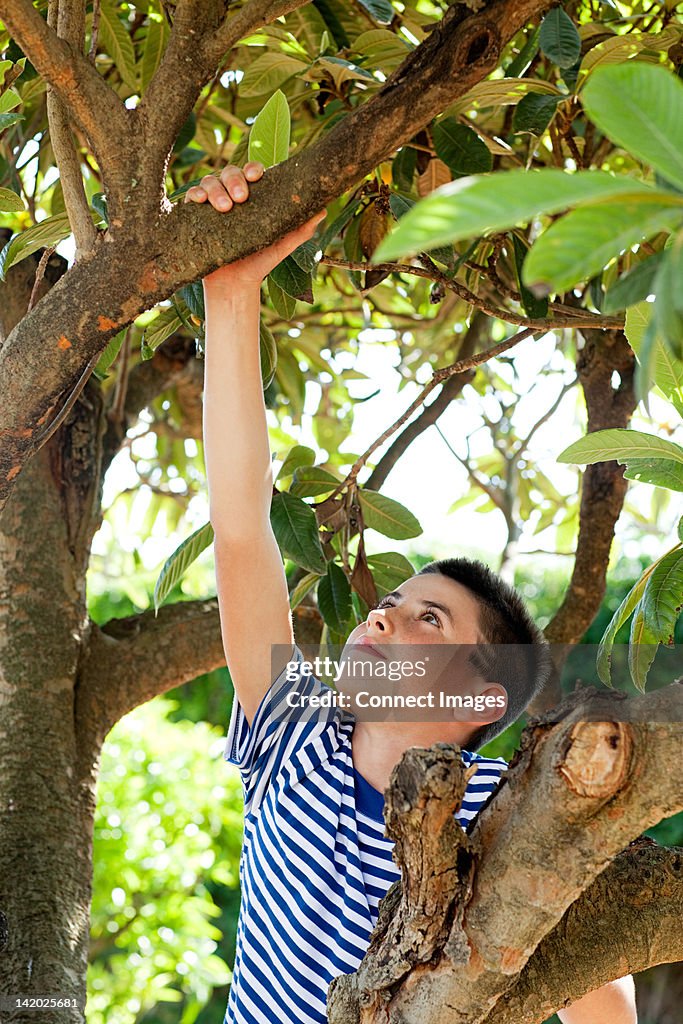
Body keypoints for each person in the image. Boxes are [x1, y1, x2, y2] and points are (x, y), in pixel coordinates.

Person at [186, 163, 638, 1024]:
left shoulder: (507, 814)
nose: (382, 614)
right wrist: (231, 295)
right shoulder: (294, 736)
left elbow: (604, 1004)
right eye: (390, 603)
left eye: (427, 616)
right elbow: (243, 527)